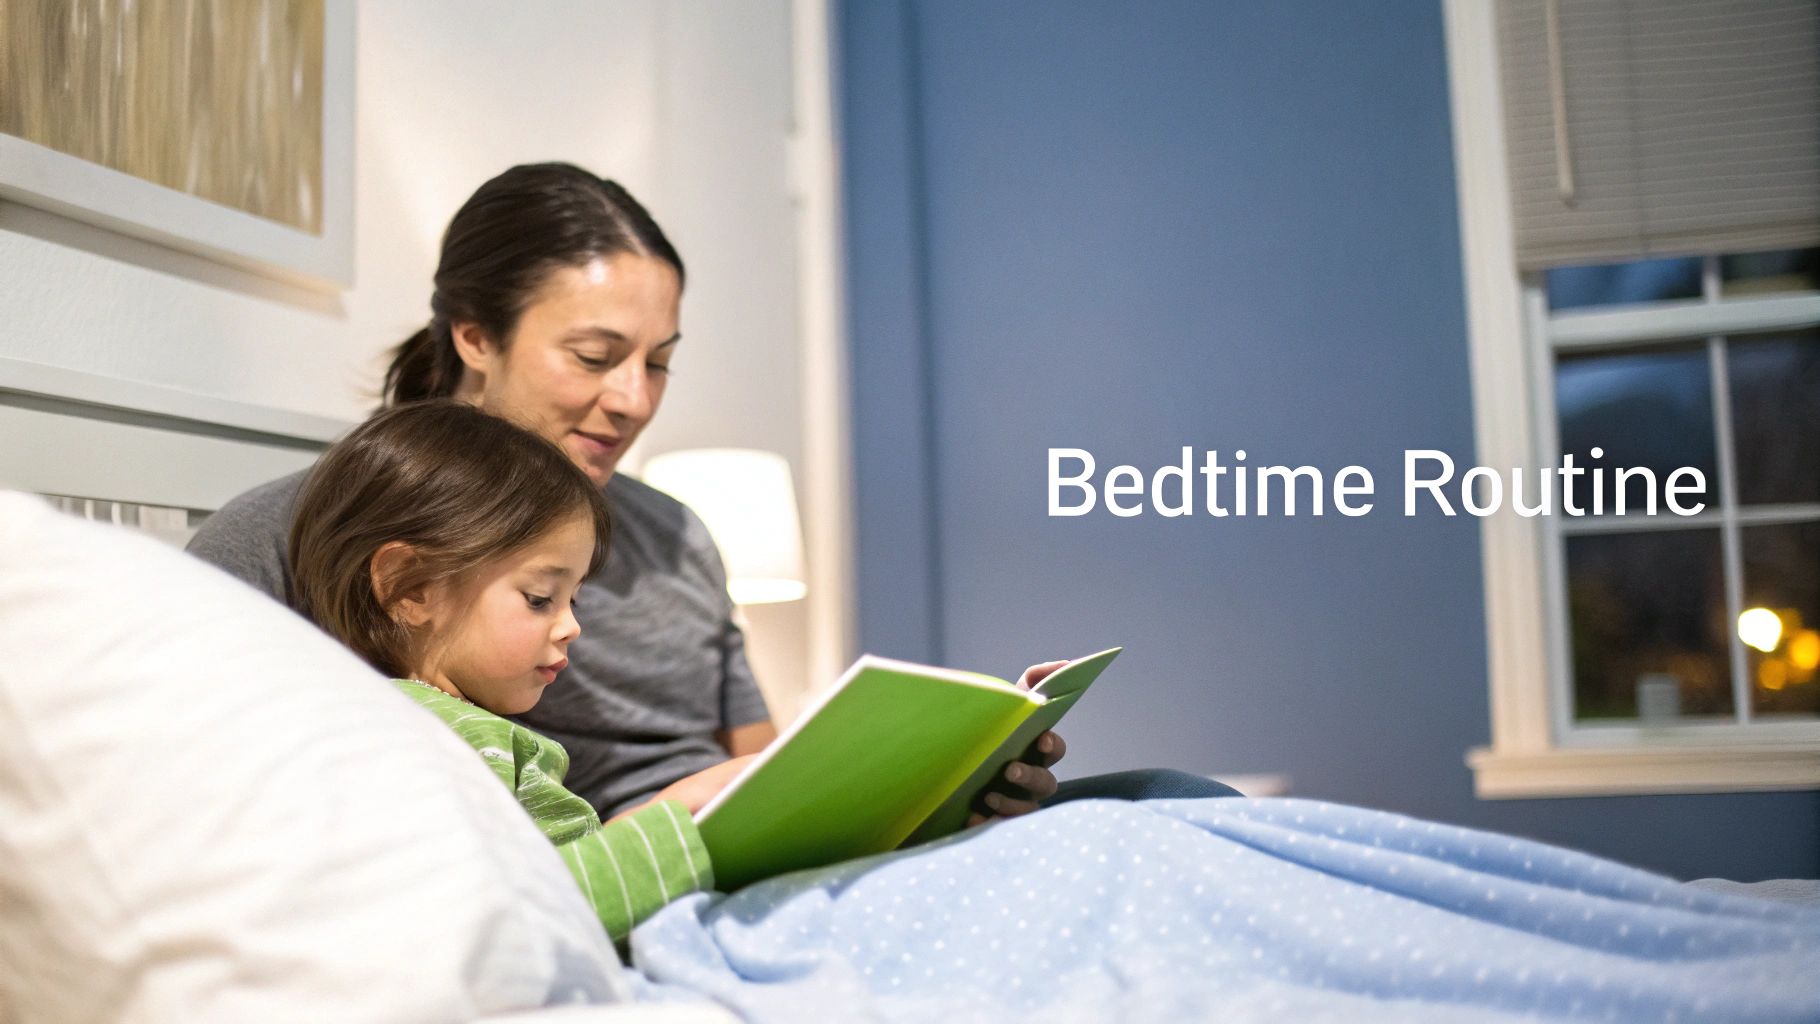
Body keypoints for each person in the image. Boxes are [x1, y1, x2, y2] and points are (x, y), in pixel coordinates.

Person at [187, 161, 1233, 821]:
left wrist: (950, 787)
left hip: (758, 856)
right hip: (641, 884)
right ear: (473, 334)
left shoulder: (676, 533)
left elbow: (771, 775)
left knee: (1177, 803)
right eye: (594, 355)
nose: (631, 401)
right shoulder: (299, 537)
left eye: (660, 360)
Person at [287, 399, 739, 940]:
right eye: (539, 597)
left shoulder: (450, 728)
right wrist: (669, 825)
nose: (571, 626)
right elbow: (511, 919)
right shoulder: (418, 740)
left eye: (574, 600)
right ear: (411, 587)